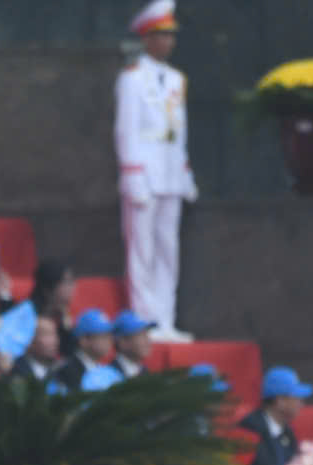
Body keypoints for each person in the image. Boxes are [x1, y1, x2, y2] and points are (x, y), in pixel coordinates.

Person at [112, 1, 192, 339]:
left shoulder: (176, 79)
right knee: (141, 248)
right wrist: (132, 174)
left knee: (167, 250)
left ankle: (165, 317)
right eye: (161, 35)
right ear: (146, 38)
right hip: (143, 173)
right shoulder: (131, 79)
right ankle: (145, 318)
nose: (168, 42)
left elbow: (179, 130)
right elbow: (125, 129)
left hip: (170, 174)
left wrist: (185, 172)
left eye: (171, 36)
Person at [236, 366, 310, 465]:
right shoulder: (249, 428)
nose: (301, 403)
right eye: (296, 397)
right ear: (280, 401)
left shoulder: (288, 432)